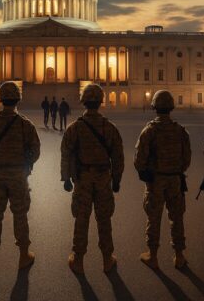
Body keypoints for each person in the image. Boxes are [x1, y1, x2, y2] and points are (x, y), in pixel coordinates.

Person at [61, 83, 124, 275]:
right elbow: (118, 156)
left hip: (82, 178)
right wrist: (116, 180)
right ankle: (107, 259)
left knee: (81, 219)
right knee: (104, 219)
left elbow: (66, 154)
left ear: (84, 102)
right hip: (104, 177)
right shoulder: (110, 127)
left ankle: (78, 259)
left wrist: (66, 178)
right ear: (100, 102)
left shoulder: (75, 128)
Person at [0, 81, 41, 269]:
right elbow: (36, 151)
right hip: (19, 176)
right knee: (20, 216)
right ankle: (23, 255)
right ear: (18, 100)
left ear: (0, 99)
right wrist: (26, 163)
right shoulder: (25, 125)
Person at [134, 90, 191, 270]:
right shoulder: (180, 130)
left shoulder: (149, 130)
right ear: (171, 107)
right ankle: (179, 256)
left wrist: (146, 172)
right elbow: (187, 158)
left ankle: (153, 256)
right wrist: (177, 170)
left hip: (156, 181)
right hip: (175, 179)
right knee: (177, 218)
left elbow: (139, 160)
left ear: (154, 107)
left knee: (154, 218)